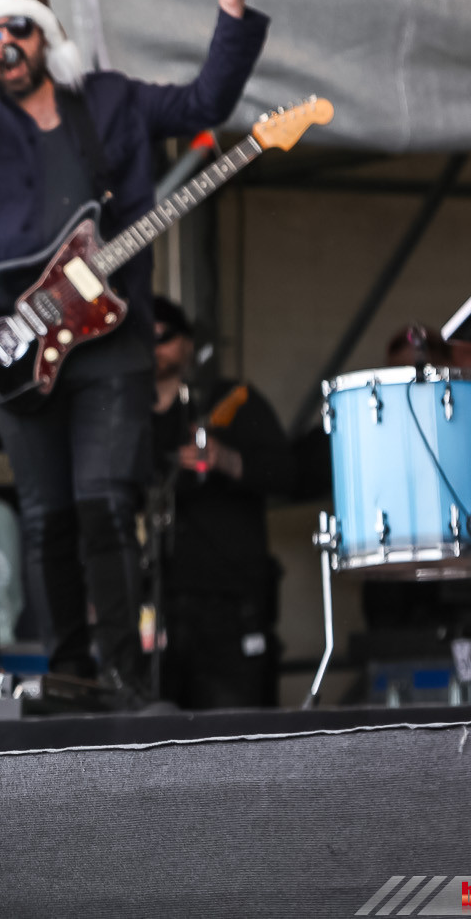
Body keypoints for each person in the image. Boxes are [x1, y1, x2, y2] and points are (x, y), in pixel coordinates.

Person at [0, 0, 269, 693]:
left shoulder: (109, 102)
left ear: (45, 35)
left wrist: (232, 13)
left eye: (19, 29)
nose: (8, 45)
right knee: (47, 516)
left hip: (110, 339)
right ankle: (70, 674)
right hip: (14, 336)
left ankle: (126, 678)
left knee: (106, 502)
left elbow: (204, 105)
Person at [148, 297, 295, 709]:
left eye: (164, 337)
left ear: (188, 344)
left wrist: (227, 460)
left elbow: (289, 474)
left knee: (235, 734)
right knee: (152, 733)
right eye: (143, 338)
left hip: (230, 603)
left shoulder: (232, 400)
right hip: (156, 606)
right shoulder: (121, 416)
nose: (153, 347)